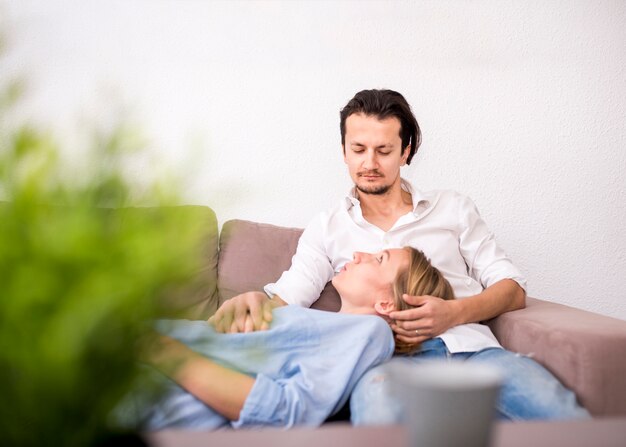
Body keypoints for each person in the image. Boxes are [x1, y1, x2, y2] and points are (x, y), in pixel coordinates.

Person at [209, 89, 590, 422]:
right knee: (378, 418)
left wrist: (453, 313)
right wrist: (254, 301)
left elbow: (512, 289)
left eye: (384, 150)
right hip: (381, 365)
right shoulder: (328, 226)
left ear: (406, 151)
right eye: (358, 149)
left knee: (561, 416)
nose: (369, 163)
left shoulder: (453, 209)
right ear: (343, 151)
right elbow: (288, 298)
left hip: (471, 351)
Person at [122, 247, 452, 430]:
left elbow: (282, 411)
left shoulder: (371, 333)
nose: (360, 253)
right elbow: (229, 350)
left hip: (144, 381)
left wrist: (164, 352)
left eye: (380, 260)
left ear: (387, 304)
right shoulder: (327, 325)